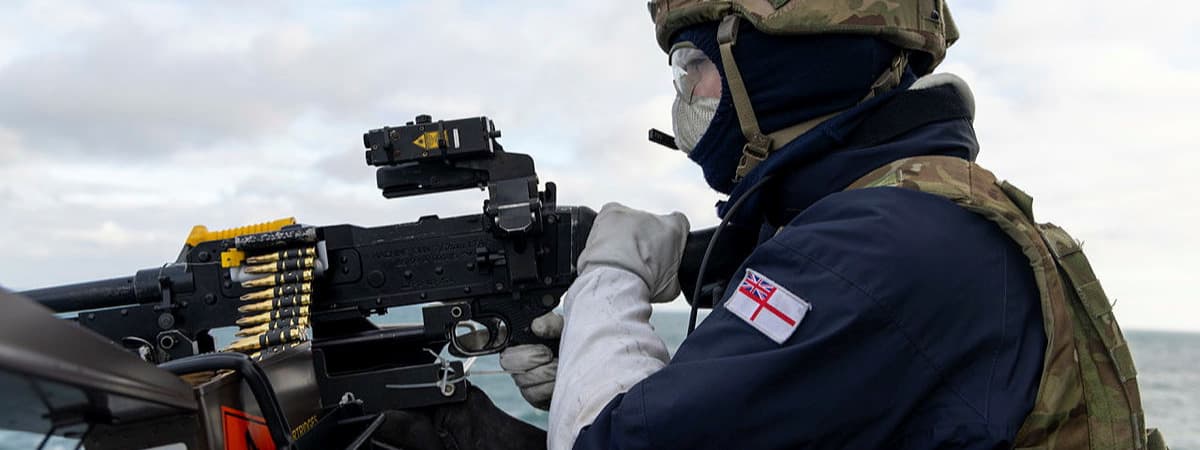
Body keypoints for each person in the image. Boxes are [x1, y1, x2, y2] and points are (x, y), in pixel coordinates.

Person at [379, 2, 1165, 449]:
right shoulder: (927, 211)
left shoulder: (870, 256)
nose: (687, 96)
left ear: (783, 66)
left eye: (696, 68)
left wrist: (609, 282)